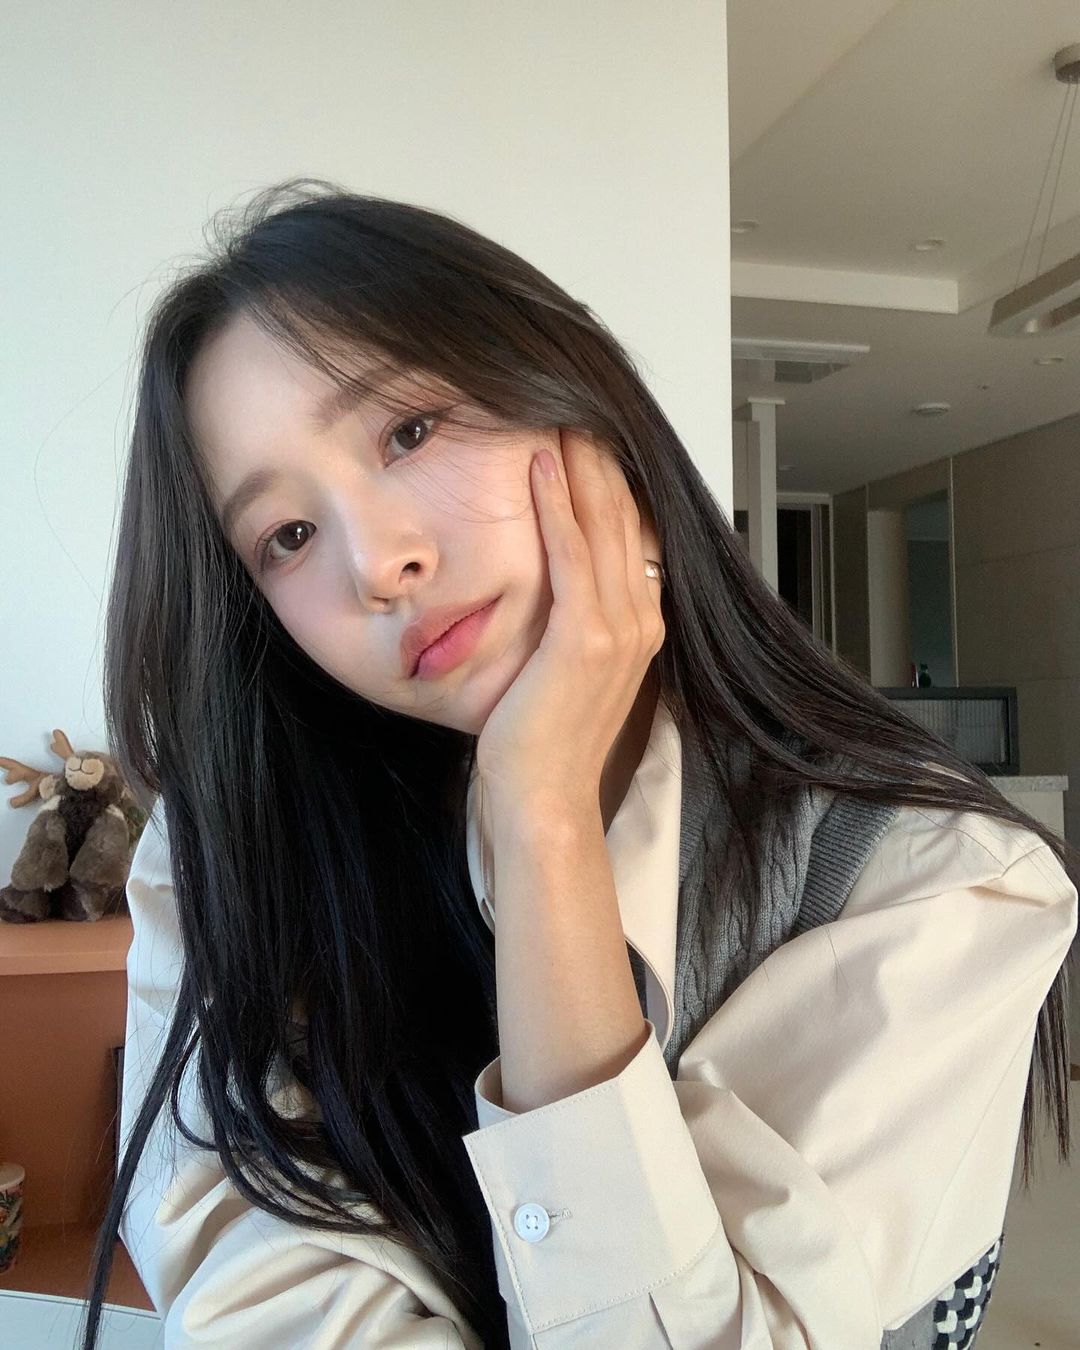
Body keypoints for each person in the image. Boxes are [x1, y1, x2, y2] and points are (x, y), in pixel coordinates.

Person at [79, 178, 1077, 1349]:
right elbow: (263, 1304)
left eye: (409, 430)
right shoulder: (230, 850)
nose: (379, 565)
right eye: (287, 535)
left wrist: (543, 817)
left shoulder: (942, 880)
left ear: (580, 404)